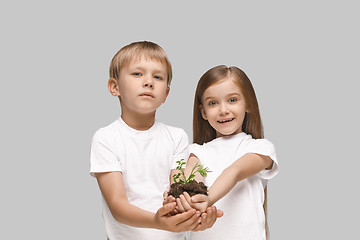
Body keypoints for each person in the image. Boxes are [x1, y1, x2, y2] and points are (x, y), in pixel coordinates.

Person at [89, 41, 220, 240]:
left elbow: (177, 189)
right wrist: (157, 222)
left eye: (158, 77)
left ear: (166, 94)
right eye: (137, 74)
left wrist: (194, 216)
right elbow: (117, 205)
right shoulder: (106, 138)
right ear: (115, 87)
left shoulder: (176, 137)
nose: (149, 82)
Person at [172, 65, 279, 240]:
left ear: (248, 104)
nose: (223, 110)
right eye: (213, 103)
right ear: (203, 112)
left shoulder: (261, 148)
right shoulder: (196, 152)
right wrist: (188, 198)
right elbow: (192, 178)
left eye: (232, 100)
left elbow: (235, 171)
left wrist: (207, 199)